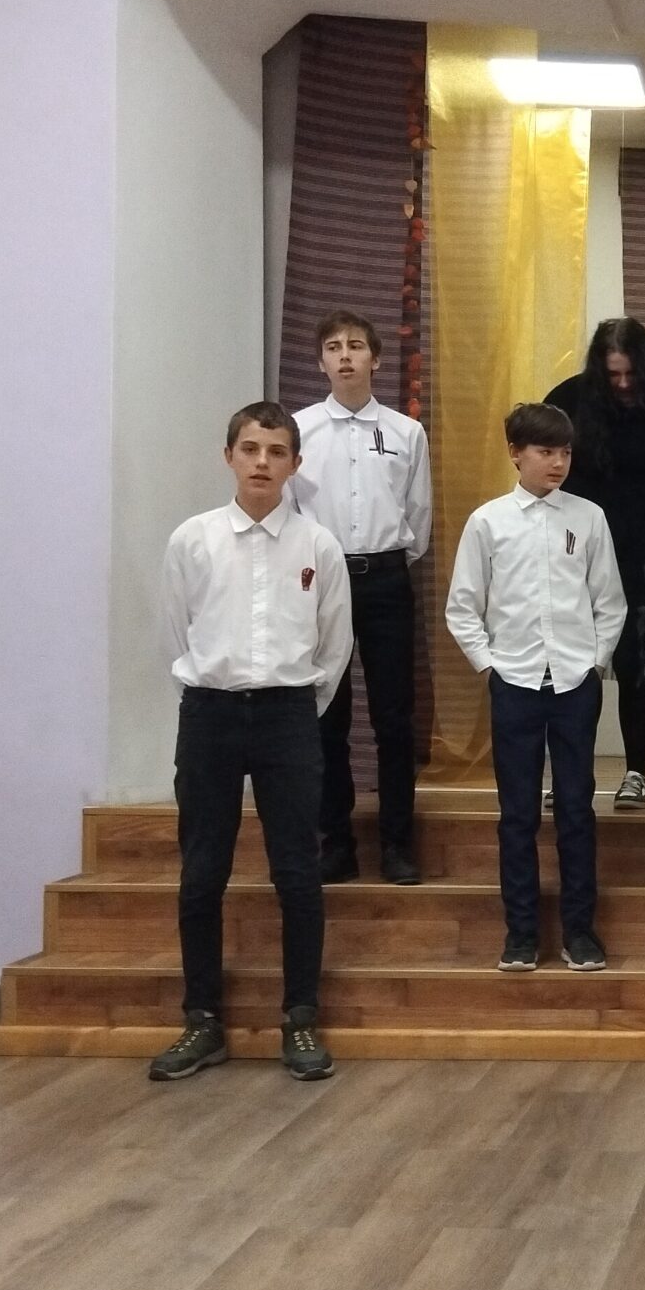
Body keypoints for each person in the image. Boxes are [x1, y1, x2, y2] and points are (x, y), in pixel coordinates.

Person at [150, 402, 351, 1084]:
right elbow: (175, 631)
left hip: (288, 715)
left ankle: (300, 1016)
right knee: (202, 871)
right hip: (210, 714)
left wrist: (292, 706)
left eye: (276, 451)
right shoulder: (194, 539)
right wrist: (212, 690)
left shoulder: (318, 546)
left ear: (295, 463)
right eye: (250, 449)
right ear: (229, 456)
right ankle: (202, 1019)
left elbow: (334, 644)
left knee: (297, 870)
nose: (262, 462)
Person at [445, 403, 624, 974]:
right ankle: (521, 934)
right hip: (515, 681)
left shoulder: (589, 517)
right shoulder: (488, 522)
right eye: (545, 451)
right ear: (515, 454)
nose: (558, 462)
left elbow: (610, 601)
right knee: (517, 813)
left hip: (574, 682)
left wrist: (595, 663)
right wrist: (489, 666)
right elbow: (462, 606)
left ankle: (580, 932)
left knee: (576, 809)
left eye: (565, 452)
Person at [289, 309, 432, 886]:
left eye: (355, 346)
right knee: (328, 715)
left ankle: (397, 843)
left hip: (386, 579)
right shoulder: (298, 430)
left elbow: (417, 516)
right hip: (321, 582)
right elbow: (290, 514)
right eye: (333, 347)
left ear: (376, 358)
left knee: (394, 717)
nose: (344, 355)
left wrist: (384, 562)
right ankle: (337, 843)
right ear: (320, 362)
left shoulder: (405, 432)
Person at [546, 319, 645, 809]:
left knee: (638, 661)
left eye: (630, 375)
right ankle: (571, 773)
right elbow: (544, 466)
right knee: (577, 665)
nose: (621, 384)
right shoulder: (569, 400)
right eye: (612, 375)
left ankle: (637, 772)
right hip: (580, 551)